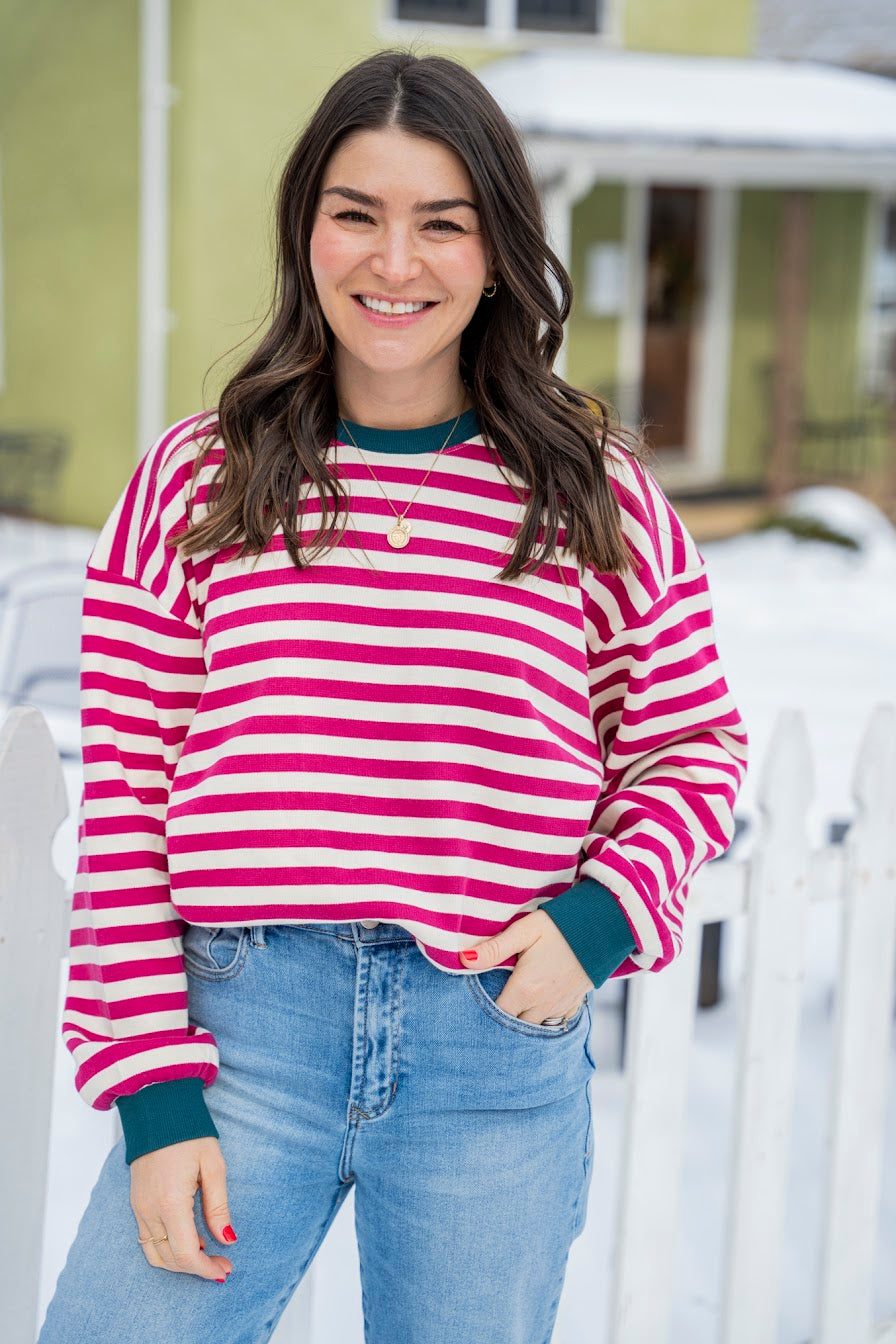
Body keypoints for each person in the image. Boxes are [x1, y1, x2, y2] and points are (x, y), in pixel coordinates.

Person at [39, 47, 749, 1344]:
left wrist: (596, 923)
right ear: (306, 227)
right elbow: (127, 801)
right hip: (245, 1038)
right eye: (356, 214)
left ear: (498, 250)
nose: (395, 263)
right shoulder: (195, 485)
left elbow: (694, 745)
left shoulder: (592, 493)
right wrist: (153, 1095)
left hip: (491, 1042)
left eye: (442, 222)